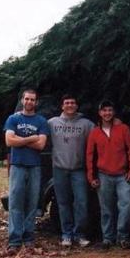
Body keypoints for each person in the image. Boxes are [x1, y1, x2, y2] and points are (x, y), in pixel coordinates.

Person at [4, 89, 49, 256]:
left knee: (32, 204)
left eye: (33, 99)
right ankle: (14, 241)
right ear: (22, 100)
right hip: (17, 166)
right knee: (15, 203)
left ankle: (29, 239)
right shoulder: (13, 118)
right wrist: (31, 138)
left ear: (36, 102)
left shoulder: (41, 121)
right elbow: (9, 140)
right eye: (27, 99)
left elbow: (41, 145)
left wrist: (19, 140)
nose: (30, 102)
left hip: (34, 166)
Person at [86, 100, 130, 250]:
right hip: (103, 175)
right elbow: (89, 155)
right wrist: (91, 177)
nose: (107, 113)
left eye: (109, 110)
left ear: (113, 112)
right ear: (100, 113)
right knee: (106, 209)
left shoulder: (123, 129)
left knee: (126, 206)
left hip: (122, 176)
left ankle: (123, 237)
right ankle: (107, 238)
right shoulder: (94, 132)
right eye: (104, 110)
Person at [48, 94, 95, 247]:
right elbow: (37, 130)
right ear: (62, 106)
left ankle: (79, 234)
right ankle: (66, 235)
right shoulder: (52, 123)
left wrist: (116, 121)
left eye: (72, 103)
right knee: (63, 203)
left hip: (78, 170)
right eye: (67, 102)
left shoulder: (86, 124)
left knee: (81, 203)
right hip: (59, 170)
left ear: (76, 106)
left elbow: (102, 130)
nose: (70, 105)